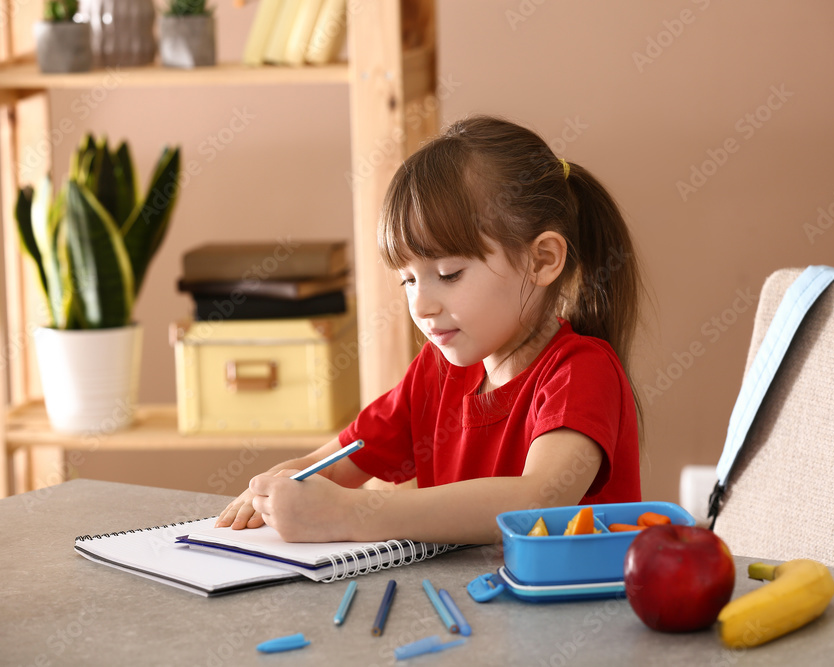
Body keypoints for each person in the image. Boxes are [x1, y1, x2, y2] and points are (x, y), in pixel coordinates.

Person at [216, 115, 644, 545]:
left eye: (450, 273)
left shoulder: (581, 372)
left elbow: (539, 500)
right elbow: (341, 459)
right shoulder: (436, 372)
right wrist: (282, 482)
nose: (421, 305)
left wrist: (349, 514)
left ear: (542, 260)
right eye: (408, 280)